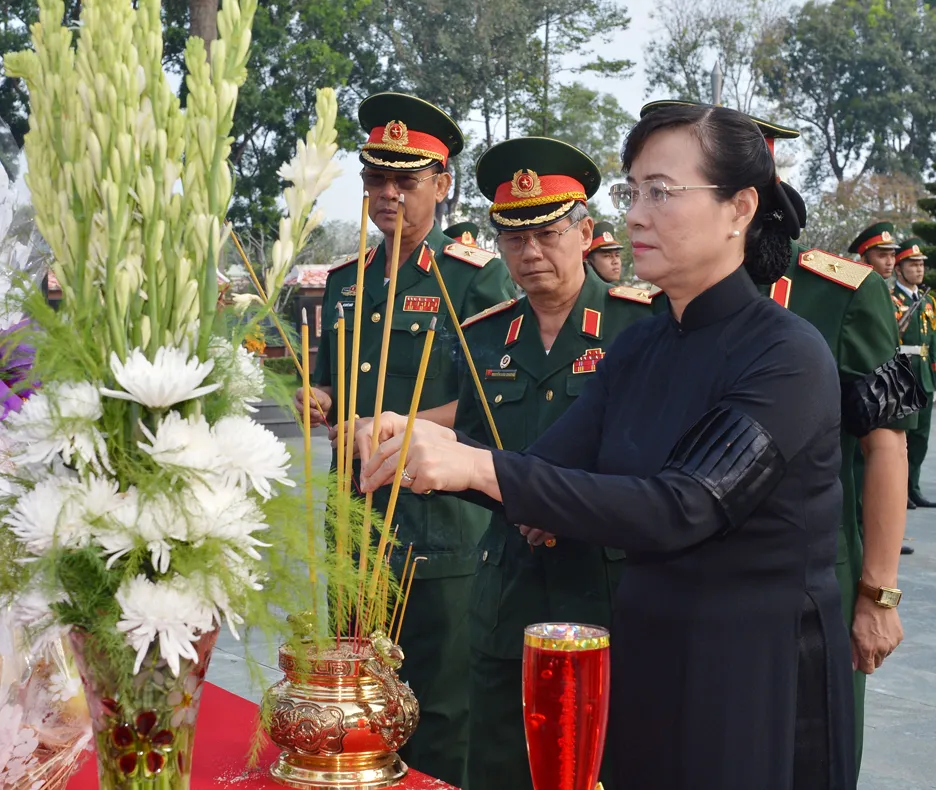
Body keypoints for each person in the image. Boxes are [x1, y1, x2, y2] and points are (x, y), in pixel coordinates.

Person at [358, 104, 860, 790]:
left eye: (662, 192)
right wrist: (429, 452)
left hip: (751, 674)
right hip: (646, 658)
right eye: (633, 193)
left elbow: (681, 507)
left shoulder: (785, 354)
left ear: (740, 206)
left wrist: (480, 465)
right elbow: (542, 474)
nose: (637, 216)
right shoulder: (641, 347)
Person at [642, 100, 922, 774]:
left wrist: (877, 593)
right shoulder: (669, 296)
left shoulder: (836, 294)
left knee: (806, 755)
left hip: (810, 581)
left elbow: (885, 443)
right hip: (689, 580)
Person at [295, 92, 515, 785]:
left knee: (439, 711)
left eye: (406, 180)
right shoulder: (342, 283)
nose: (388, 194)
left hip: (440, 528)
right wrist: (318, 399)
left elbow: (493, 403)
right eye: (376, 179)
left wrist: (410, 427)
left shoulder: (474, 279)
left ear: (441, 185)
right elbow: (334, 394)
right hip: (356, 528)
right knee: (356, 701)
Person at [454, 137, 651, 790]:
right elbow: (472, 453)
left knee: (605, 766)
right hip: (509, 594)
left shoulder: (642, 329)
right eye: (514, 239)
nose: (530, 253)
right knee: (499, 765)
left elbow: (659, 464)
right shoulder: (483, 338)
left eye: (546, 233)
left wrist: (563, 504)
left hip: (606, 593)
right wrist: (513, 497)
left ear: (585, 231)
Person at [892, 238, 936, 508]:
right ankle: (900, 491)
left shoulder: (928, 301)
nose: (919, 269)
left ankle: (913, 487)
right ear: (900, 269)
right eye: (912, 264)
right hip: (903, 371)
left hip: (925, 374)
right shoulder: (891, 299)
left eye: (921, 264)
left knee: (920, 436)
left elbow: (933, 340)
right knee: (902, 437)